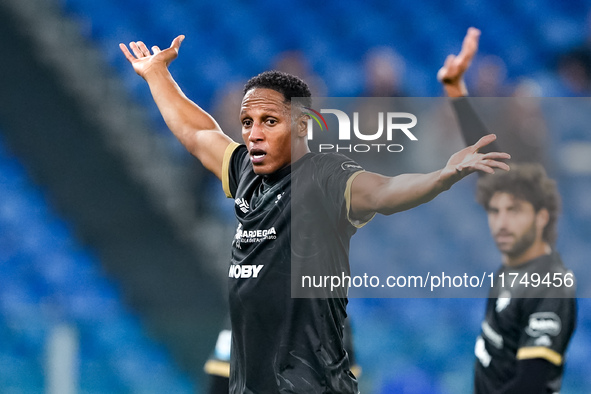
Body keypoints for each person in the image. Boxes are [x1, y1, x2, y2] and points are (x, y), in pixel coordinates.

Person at [119, 35, 509, 393]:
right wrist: (156, 76)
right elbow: (197, 132)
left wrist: (441, 177)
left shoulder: (325, 178)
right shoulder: (244, 172)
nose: (253, 133)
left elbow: (385, 191)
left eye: (269, 122)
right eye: (247, 123)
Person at [438, 28, 577, 393]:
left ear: (541, 217)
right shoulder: (510, 272)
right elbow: (488, 156)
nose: (500, 222)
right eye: (496, 211)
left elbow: (531, 382)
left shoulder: (548, 284)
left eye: (513, 212)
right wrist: (456, 92)